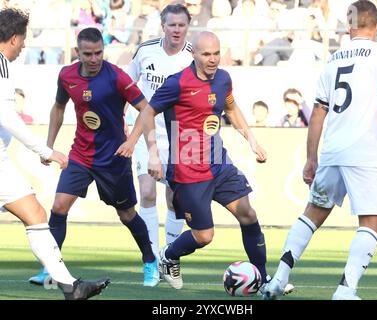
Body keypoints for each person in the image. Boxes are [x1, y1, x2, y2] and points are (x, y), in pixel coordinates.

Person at [261, 0, 377, 300]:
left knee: (313, 212)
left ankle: (278, 279)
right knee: (374, 220)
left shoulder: (333, 59)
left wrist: (311, 158)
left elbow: (317, 112)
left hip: (333, 150)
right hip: (365, 152)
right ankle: (345, 289)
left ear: (349, 27)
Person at [28, 27, 159, 288]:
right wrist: (48, 146)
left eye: (99, 52)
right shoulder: (66, 76)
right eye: (88, 54)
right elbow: (58, 107)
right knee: (58, 207)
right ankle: (50, 267)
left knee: (126, 214)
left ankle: (150, 261)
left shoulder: (117, 78)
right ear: (78, 52)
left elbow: (147, 109)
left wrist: (132, 141)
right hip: (80, 155)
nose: (94, 58)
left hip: (113, 158)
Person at [142, 30, 270, 291]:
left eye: (216, 53)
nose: (213, 60)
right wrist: (153, 152)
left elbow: (231, 108)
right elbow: (148, 112)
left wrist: (252, 140)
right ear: (193, 53)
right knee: (204, 236)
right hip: (188, 170)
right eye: (206, 54)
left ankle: (265, 279)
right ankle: (168, 255)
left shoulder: (223, 79)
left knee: (248, 214)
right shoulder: (177, 83)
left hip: (218, 163)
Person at [0, 7, 109, 300]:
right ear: (13, 38)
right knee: (35, 214)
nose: (24, 45)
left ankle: (70, 287)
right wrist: (45, 150)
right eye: (23, 39)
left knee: (35, 214)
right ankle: (71, 287)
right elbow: (6, 116)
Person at [126, 3, 193, 258]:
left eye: (181, 25)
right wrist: (123, 116)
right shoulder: (145, 51)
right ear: (163, 26)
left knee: (176, 199)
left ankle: (169, 255)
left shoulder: (193, 55)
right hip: (146, 127)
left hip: (178, 132)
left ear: (187, 26)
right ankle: (151, 256)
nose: (176, 30)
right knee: (146, 192)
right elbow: (127, 85)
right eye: (172, 25)